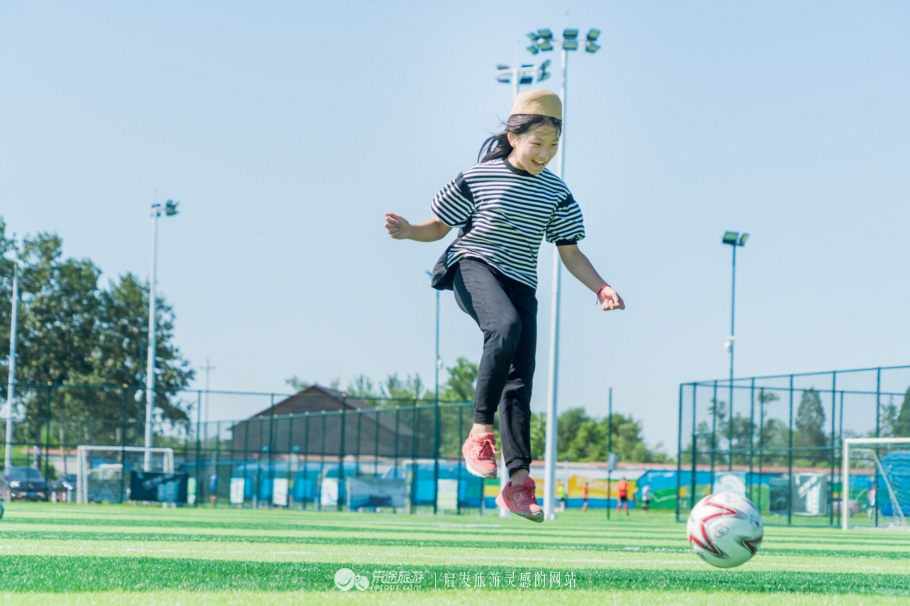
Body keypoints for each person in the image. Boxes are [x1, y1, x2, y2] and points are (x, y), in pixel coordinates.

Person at [385, 89, 625, 523]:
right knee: (505, 327)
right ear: (514, 137)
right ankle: (479, 433)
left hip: (520, 283)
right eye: (538, 144)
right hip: (473, 265)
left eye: (554, 145)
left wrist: (601, 286)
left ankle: (518, 483)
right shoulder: (478, 177)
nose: (546, 154)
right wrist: (408, 230)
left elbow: (570, 252)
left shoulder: (556, 192)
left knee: (520, 379)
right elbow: (439, 226)